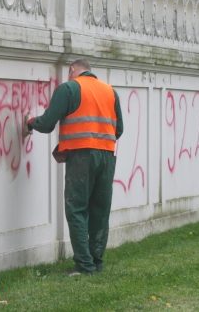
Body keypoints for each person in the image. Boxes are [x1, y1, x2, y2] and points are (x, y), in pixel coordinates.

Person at [24, 59, 123, 276]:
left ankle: (84, 266)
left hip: (81, 157)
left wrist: (30, 123)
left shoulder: (69, 88)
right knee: (100, 209)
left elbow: (48, 123)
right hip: (107, 155)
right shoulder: (110, 92)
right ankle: (96, 262)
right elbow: (119, 129)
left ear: (72, 70)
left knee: (76, 208)